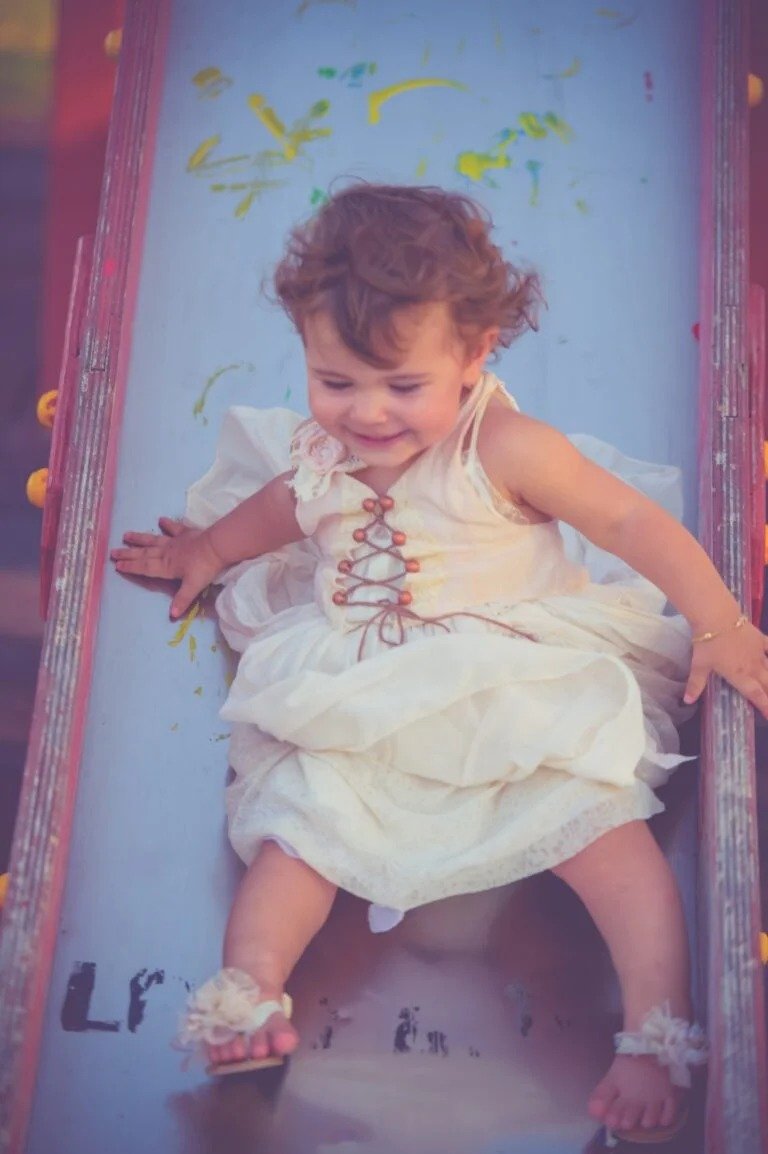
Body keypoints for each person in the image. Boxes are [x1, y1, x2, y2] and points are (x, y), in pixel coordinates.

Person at [110, 183, 767, 1145]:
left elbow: (627, 521)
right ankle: (247, 991)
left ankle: (654, 1030)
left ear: (474, 354)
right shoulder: (327, 452)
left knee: (603, 828)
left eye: (401, 386)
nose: (367, 413)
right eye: (335, 382)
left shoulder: (503, 447)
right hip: (367, 685)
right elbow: (285, 507)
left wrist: (718, 622)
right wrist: (207, 550)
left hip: (511, 675)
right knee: (297, 828)